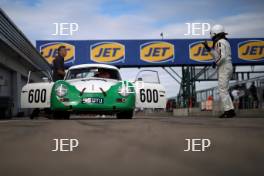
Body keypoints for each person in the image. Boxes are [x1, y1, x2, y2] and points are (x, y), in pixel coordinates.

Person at [203, 24, 236, 118]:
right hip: (227, 65)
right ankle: (230, 110)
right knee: (224, 89)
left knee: (222, 90)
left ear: (214, 33)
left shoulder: (220, 42)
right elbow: (218, 55)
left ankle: (228, 111)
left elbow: (221, 57)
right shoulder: (224, 41)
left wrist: (215, 63)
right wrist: (208, 48)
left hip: (224, 66)